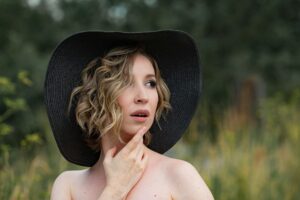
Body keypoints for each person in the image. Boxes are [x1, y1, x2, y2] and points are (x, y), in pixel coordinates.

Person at [45, 30, 214, 200]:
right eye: (126, 82)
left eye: (150, 83)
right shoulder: (68, 185)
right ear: (97, 96)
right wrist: (115, 190)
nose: (143, 96)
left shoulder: (178, 175)